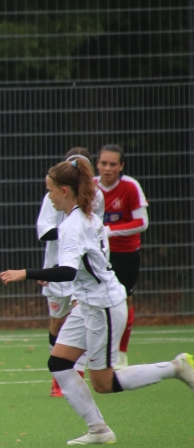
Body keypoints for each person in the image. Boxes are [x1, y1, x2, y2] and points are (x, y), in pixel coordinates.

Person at [0, 158, 193, 445]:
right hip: (89, 302)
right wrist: (52, 275)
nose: (49, 197)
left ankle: (176, 367)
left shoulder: (73, 224)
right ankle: (99, 430)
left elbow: (68, 271)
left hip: (103, 305)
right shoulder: (86, 213)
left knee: (103, 383)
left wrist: (26, 273)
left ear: (65, 190)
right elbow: (80, 264)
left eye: (50, 190)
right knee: (59, 363)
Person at [36, 148, 102, 397]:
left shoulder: (97, 197)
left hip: (80, 273)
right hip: (57, 266)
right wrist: (50, 269)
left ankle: (74, 374)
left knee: (80, 315)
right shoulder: (53, 197)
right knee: (58, 321)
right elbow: (44, 231)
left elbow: (96, 233)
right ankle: (61, 373)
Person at [95, 144, 148, 368]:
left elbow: (142, 222)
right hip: (98, 254)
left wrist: (110, 230)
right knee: (94, 300)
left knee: (125, 299)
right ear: (97, 164)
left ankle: (121, 352)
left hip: (126, 253)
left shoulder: (130, 187)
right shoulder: (90, 187)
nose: (107, 168)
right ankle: (97, 351)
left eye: (113, 164)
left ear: (121, 166)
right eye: (103, 163)